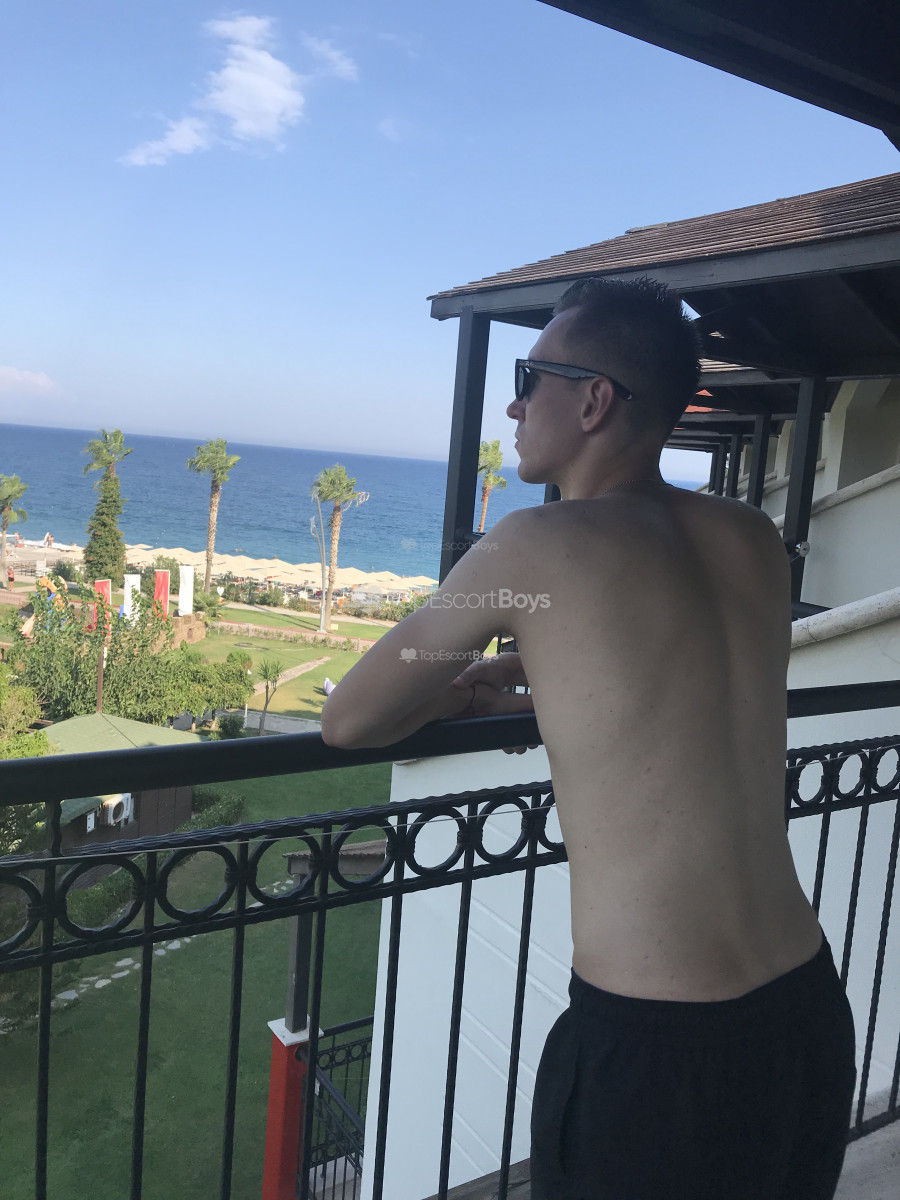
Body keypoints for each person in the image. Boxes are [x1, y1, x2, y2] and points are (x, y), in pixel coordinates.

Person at [321, 277, 857, 1199]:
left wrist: (467, 692)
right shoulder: (750, 539)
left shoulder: (532, 547)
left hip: (659, 1052)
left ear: (594, 400)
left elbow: (351, 718)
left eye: (529, 379)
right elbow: (670, 682)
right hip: (805, 1011)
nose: (514, 405)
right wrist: (536, 682)